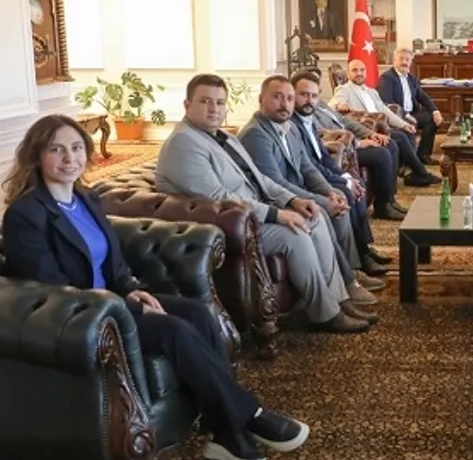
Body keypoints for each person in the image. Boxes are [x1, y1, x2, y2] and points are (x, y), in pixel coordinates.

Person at [0, 114, 311, 460]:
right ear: (37, 156)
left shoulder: (86, 198)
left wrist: (133, 290)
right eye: (56, 150)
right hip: (82, 317)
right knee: (172, 331)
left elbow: (113, 261)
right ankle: (249, 414)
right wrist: (121, 305)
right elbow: (52, 287)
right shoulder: (26, 215)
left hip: (114, 303)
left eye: (76, 147)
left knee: (198, 314)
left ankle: (226, 435)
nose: (69, 158)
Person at [156, 73, 377, 334]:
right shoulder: (184, 141)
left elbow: (260, 179)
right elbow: (217, 198)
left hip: (250, 213)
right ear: (187, 105)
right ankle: (325, 314)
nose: (214, 109)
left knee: (315, 217)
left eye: (220, 102)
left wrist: (294, 200)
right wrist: (276, 214)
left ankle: (338, 300)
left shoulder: (222, 136)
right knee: (295, 234)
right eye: (205, 101)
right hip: (225, 224)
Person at [237, 75, 387, 290]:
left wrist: (329, 191)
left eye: (289, 98)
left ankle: (351, 270)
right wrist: (323, 201)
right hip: (278, 200)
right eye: (277, 97)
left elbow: (307, 167)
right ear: (261, 99)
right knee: (323, 210)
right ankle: (347, 280)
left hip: (297, 192)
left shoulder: (289, 127)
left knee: (339, 197)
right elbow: (274, 183)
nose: (285, 104)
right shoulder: (256, 134)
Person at [302, 73, 407, 220]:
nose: (316, 90)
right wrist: (358, 143)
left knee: (390, 145)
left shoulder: (321, 103)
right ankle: (382, 206)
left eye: (317, 85)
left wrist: (371, 134)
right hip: (343, 149)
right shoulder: (306, 111)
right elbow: (322, 135)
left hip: (351, 140)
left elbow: (344, 120)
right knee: (381, 155)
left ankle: (389, 200)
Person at [330, 59, 441, 186]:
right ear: (348, 73)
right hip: (364, 131)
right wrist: (340, 105)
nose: (359, 73)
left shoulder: (372, 92)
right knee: (400, 137)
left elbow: (385, 111)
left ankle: (412, 174)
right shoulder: (344, 90)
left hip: (381, 128)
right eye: (355, 70)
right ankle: (421, 173)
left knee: (407, 131)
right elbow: (331, 106)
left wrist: (404, 124)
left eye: (362, 70)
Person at [378, 47, 443, 164]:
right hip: (397, 116)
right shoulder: (387, 78)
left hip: (411, 113)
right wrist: (405, 116)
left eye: (407, 60)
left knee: (431, 119)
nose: (404, 62)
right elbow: (387, 102)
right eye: (401, 59)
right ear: (394, 61)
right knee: (411, 122)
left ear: (411, 62)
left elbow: (422, 96)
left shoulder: (412, 78)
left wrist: (435, 111)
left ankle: (423, 155)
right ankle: (410, 161)